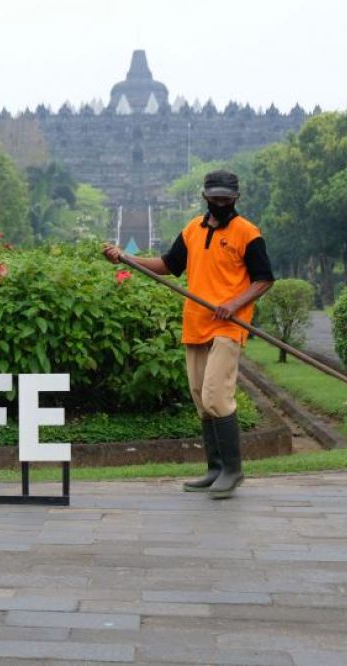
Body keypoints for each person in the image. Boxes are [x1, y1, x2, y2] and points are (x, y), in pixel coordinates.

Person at [103, 170, 274, 498]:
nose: (221, 203)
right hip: (196, 323)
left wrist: (234, 304)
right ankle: (214, 468)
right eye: (216, 198)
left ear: (236, 198)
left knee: (216, 395)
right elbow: (168, 265)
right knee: (199, 397)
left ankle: (233, 470)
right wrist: (125, 257)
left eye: (227, 198)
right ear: (205, 197)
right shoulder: (192, 230)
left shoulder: (247, 233)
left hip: (228, 325)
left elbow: (264, 278)